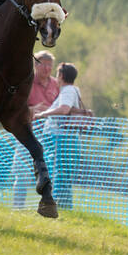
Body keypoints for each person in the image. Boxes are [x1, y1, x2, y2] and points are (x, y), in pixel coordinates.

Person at [35, 63, 94, 209]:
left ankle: (60, 206)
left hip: (60, 138)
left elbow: (64, 109)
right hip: (66, 138)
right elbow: (70, 108)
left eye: (57, 73)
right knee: (63, 172)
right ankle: (63, 205)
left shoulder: (67, 90)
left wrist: (42, 114)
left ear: (61, 75)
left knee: (60, 173)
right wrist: (83, 112)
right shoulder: (73, 90)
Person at [12, 52, 62, 208]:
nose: (47, 68)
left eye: (49, 65)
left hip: (51, 136)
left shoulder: (56, 84)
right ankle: (18, 208)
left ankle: (47, 205)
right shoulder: (27, 82)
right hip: (27, 134)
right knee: (23, 174)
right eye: (43, 64)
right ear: (35, 65)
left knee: (51, 173)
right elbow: (15, 108)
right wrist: (34, 109)